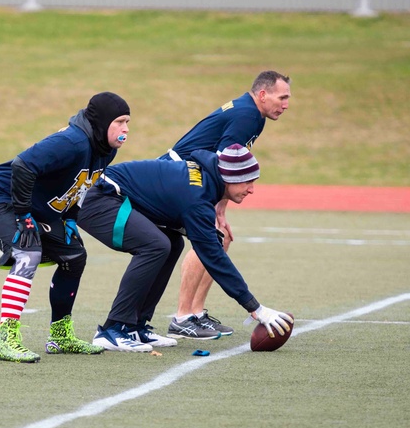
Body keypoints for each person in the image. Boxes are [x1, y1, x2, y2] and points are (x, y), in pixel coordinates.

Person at [77, 144, 292, 352]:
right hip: (99, 198)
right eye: (247, 182)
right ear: (231, 178)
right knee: (156, 245)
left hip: (112, 195)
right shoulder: (197, 197)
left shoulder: (206, 183)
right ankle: (114, 329)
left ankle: (135, 326)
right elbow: (214, 258)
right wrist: (255, 307)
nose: (252, 189)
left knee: (171, 243)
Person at [0, 92, 131, 362]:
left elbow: (82, 184)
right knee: (26, 252)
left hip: (29, 204)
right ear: (103, 123)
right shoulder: (72, 142)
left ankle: (60, 336)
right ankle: (6, 339)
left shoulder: (106, 149)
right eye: (120, 122)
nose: (126, 129)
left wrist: (70, 216)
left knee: (74, 256)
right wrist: (23, 215)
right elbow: (23, 165)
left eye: (128, 122)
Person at [161, 71, 290, 340]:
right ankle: (182, 317)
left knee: (221, 239)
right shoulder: (248, 115)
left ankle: (195, 313)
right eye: (282, 97)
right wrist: (219, 208)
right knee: (212, 239)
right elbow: (223, 162)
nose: (286, 104)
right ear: (263, 95)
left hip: (193, 176)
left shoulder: (252, 113)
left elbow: (223, 163)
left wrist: (220, 207)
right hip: (180, 176)